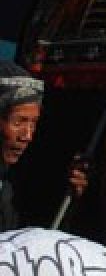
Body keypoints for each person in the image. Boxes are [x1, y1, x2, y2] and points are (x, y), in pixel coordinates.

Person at [0, 63, 88, 230]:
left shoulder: (15, 184)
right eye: (19, 122)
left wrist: (70, 200)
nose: (28, 136)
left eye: (34, 123)